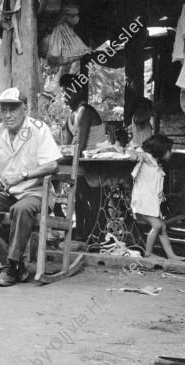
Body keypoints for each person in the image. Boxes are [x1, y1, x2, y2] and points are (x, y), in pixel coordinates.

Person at [0, 88, 62, 287]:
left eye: (13, 109)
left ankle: (11, 265)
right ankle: (14, 265)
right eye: (3, 110)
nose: (7, 115)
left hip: (36, 192)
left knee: (21, 209)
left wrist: (23, 176)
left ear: (25, 108)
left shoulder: (40, 129)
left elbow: (53, 165)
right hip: (7, 192)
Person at [59, 73, 106, 240]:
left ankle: (92, 234)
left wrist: (58, 159)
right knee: (77, 196)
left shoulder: (85, 111)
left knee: (90, 199)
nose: (65, 95)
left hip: (93, 164)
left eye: (68, 91)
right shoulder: (69, 117)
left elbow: (79, 147)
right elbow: (66, 148)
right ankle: (78, 230)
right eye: (63, 92)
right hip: (80, 163)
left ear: (78, 92)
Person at [128, 135, 185, 262]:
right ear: (160, 149)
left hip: (151, 201)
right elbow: (135, 151)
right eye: (169, 150)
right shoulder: (148, 158)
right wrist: (133, 153)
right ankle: (148, 254)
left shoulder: (156, 164)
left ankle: (171, 256)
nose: (171, 153)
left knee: (162, 227)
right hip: (143, 200)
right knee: (156, 225)